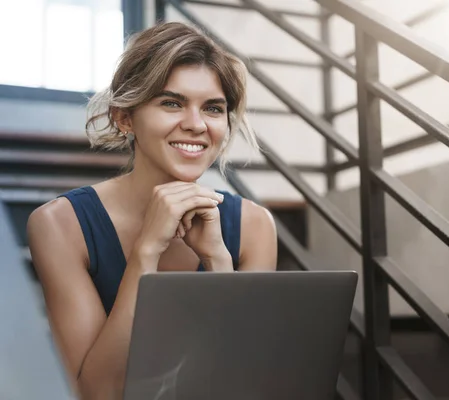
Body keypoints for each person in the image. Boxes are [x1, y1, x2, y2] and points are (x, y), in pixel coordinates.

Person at [27, 22, 277, 400]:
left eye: (212, 108)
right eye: (171, 103)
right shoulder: (60, 225)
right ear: (124, 117)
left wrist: (217, 262)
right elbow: (97, 392)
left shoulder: (255, 225)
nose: (195, 125)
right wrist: (146, 252)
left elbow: (247, 383)